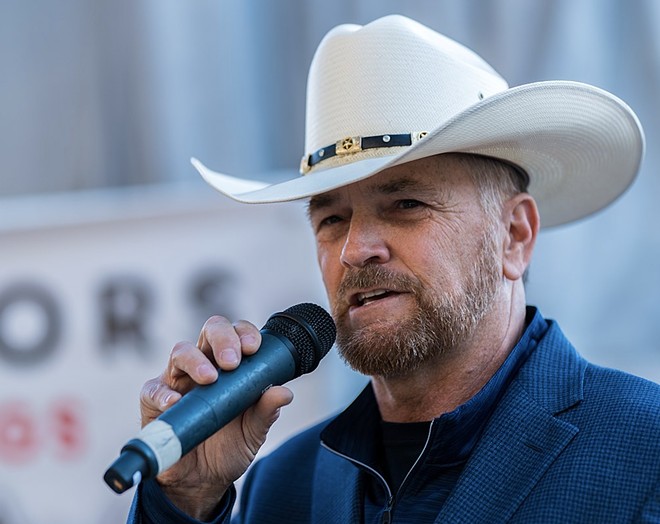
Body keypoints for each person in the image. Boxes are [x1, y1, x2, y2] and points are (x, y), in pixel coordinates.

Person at [128, 15, 659, 523]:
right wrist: (185, 502)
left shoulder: (646, 451)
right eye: (332, 218)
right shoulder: (281, 486)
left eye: (406, 204)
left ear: (515, 235)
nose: (355, 249)